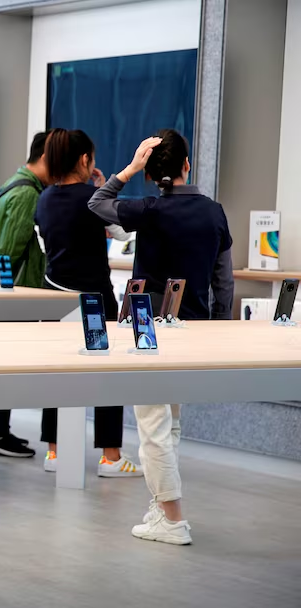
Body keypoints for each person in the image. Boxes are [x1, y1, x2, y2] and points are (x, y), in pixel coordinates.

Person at [89, 130, 234, 544]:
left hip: (146, 325)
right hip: (193, 328)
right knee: (168, 422)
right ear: (187, 165)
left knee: (152, 425)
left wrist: (129, 168)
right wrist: (218, 329)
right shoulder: (214, 212)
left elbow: (96, 203)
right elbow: (224, 283)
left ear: (152, 175)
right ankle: (161, 504)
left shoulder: (148, 209)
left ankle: (172, 518)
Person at [34, 129, 142, 478]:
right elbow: (125, 234)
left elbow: (44, 246)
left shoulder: (44, 199)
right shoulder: (93, 198)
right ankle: (110, 457)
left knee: (56, 373)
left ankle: (54, 451)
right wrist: (102, 190)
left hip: (53, 298)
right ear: (85, 160)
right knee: (106, 375)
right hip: (95, 301)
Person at [0, 132, 51, 458]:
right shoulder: (26, 195)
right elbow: (6, 251)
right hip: (15, 293)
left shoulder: (19, 184)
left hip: (10, 291)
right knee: (7, 361)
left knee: (3, 359)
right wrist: (5, 292)